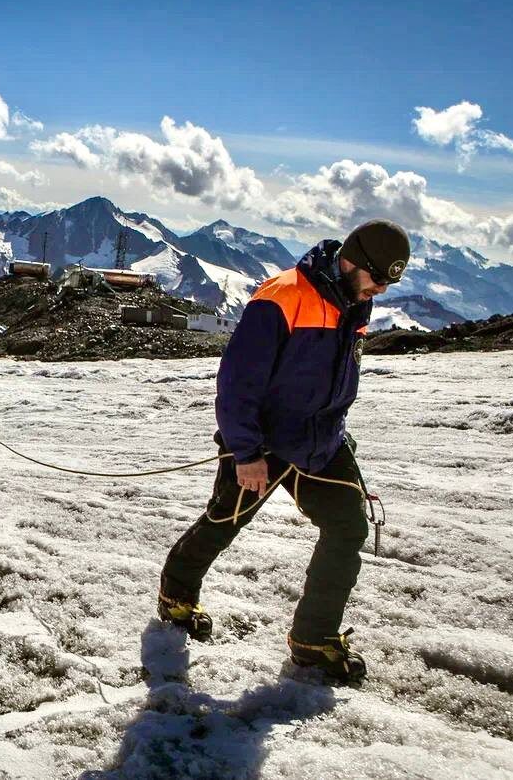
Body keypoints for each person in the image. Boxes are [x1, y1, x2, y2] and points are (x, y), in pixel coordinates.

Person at [157, 219, 410, 683]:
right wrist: (246, 451)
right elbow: (237, 382)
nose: (380, 290)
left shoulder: (354, 301)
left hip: (320, 444)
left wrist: (337, 430)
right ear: (351, 262)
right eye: (377, 279)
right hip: (262, 445)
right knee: (222, 522)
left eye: (388, 283)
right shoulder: (282, 296)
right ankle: (177, 597)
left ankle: (313, 639)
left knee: (348, 527)